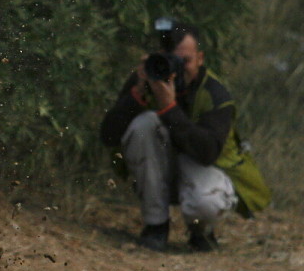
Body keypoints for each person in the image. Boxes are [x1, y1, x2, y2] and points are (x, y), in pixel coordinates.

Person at [101, 24, 270, 252]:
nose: (176, 70)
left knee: (208, 201)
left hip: (201, 170)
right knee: (144, 124)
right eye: (170, 60)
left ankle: (202, 231)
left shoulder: (215, 94)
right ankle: (156, 226)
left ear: (200, 59)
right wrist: (136, 96)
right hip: (157, 171)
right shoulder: (147, 80)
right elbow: (108, 136)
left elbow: (207, 153)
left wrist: (168, 108)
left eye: (185, 61)